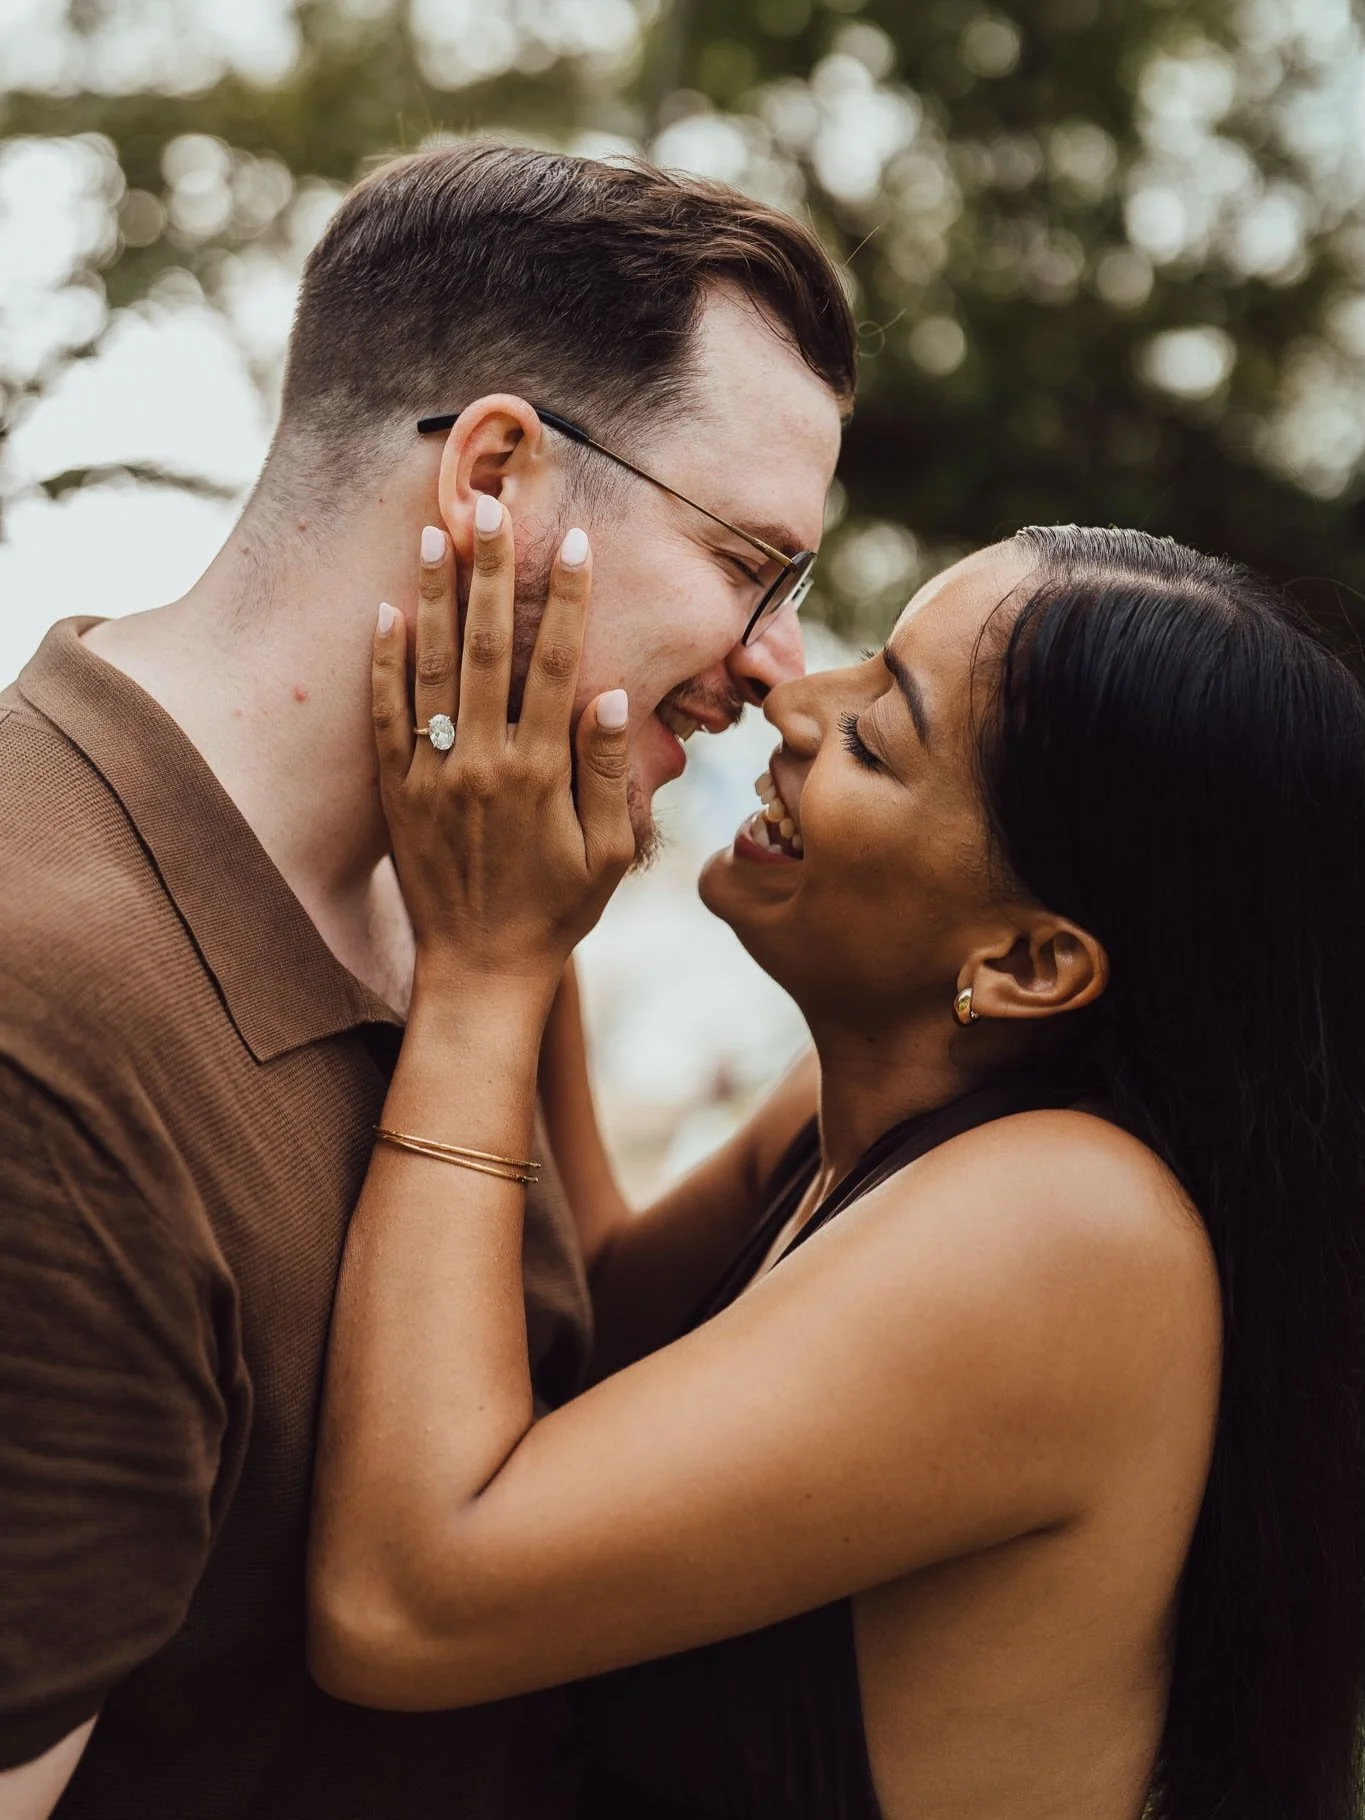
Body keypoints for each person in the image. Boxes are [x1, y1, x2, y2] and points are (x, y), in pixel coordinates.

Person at [0, 142, 854, 1818]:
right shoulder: (50, 1030)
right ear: (498, 472)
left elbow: (557, 1348)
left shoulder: (472, 891)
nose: (778, 669)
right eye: (753, 565)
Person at [306, 518, 1365, 1820]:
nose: (793, 703)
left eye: (876, 735)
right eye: (864, 663)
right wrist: (532, 905)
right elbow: (593, 1303)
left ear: (1026, 966)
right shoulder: (857, 1114)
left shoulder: (1071, 1229)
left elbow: (400, 1604)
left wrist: (484, 971)